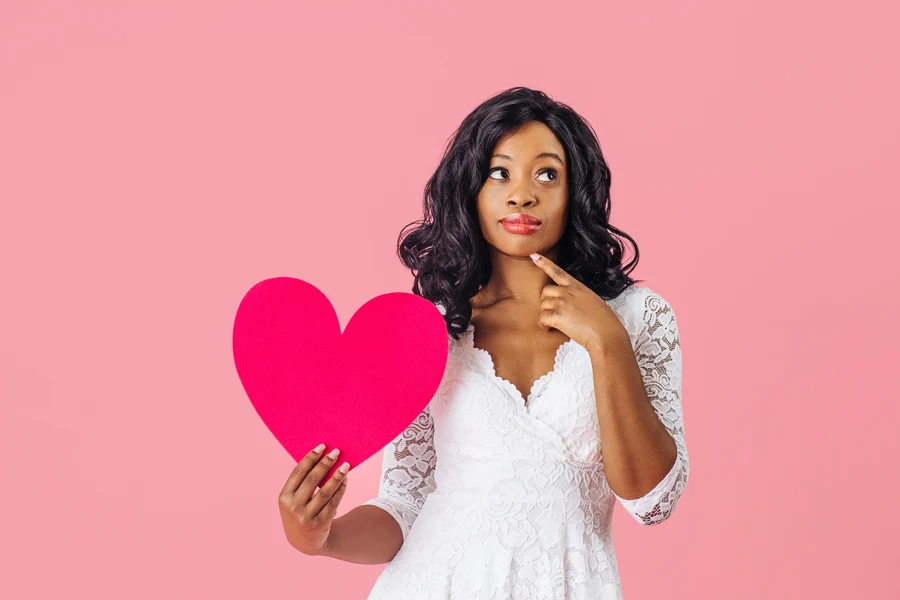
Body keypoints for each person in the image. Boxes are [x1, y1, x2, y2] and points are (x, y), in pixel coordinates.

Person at [277, 86, 689, 599]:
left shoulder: (634, 317)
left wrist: (607, 342)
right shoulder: (431, 330)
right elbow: (403, 505)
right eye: (499, 173)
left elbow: (652, 501)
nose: (522, 194)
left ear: (574, 191)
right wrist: (322, 537)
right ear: (469, 189)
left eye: (547, 173)